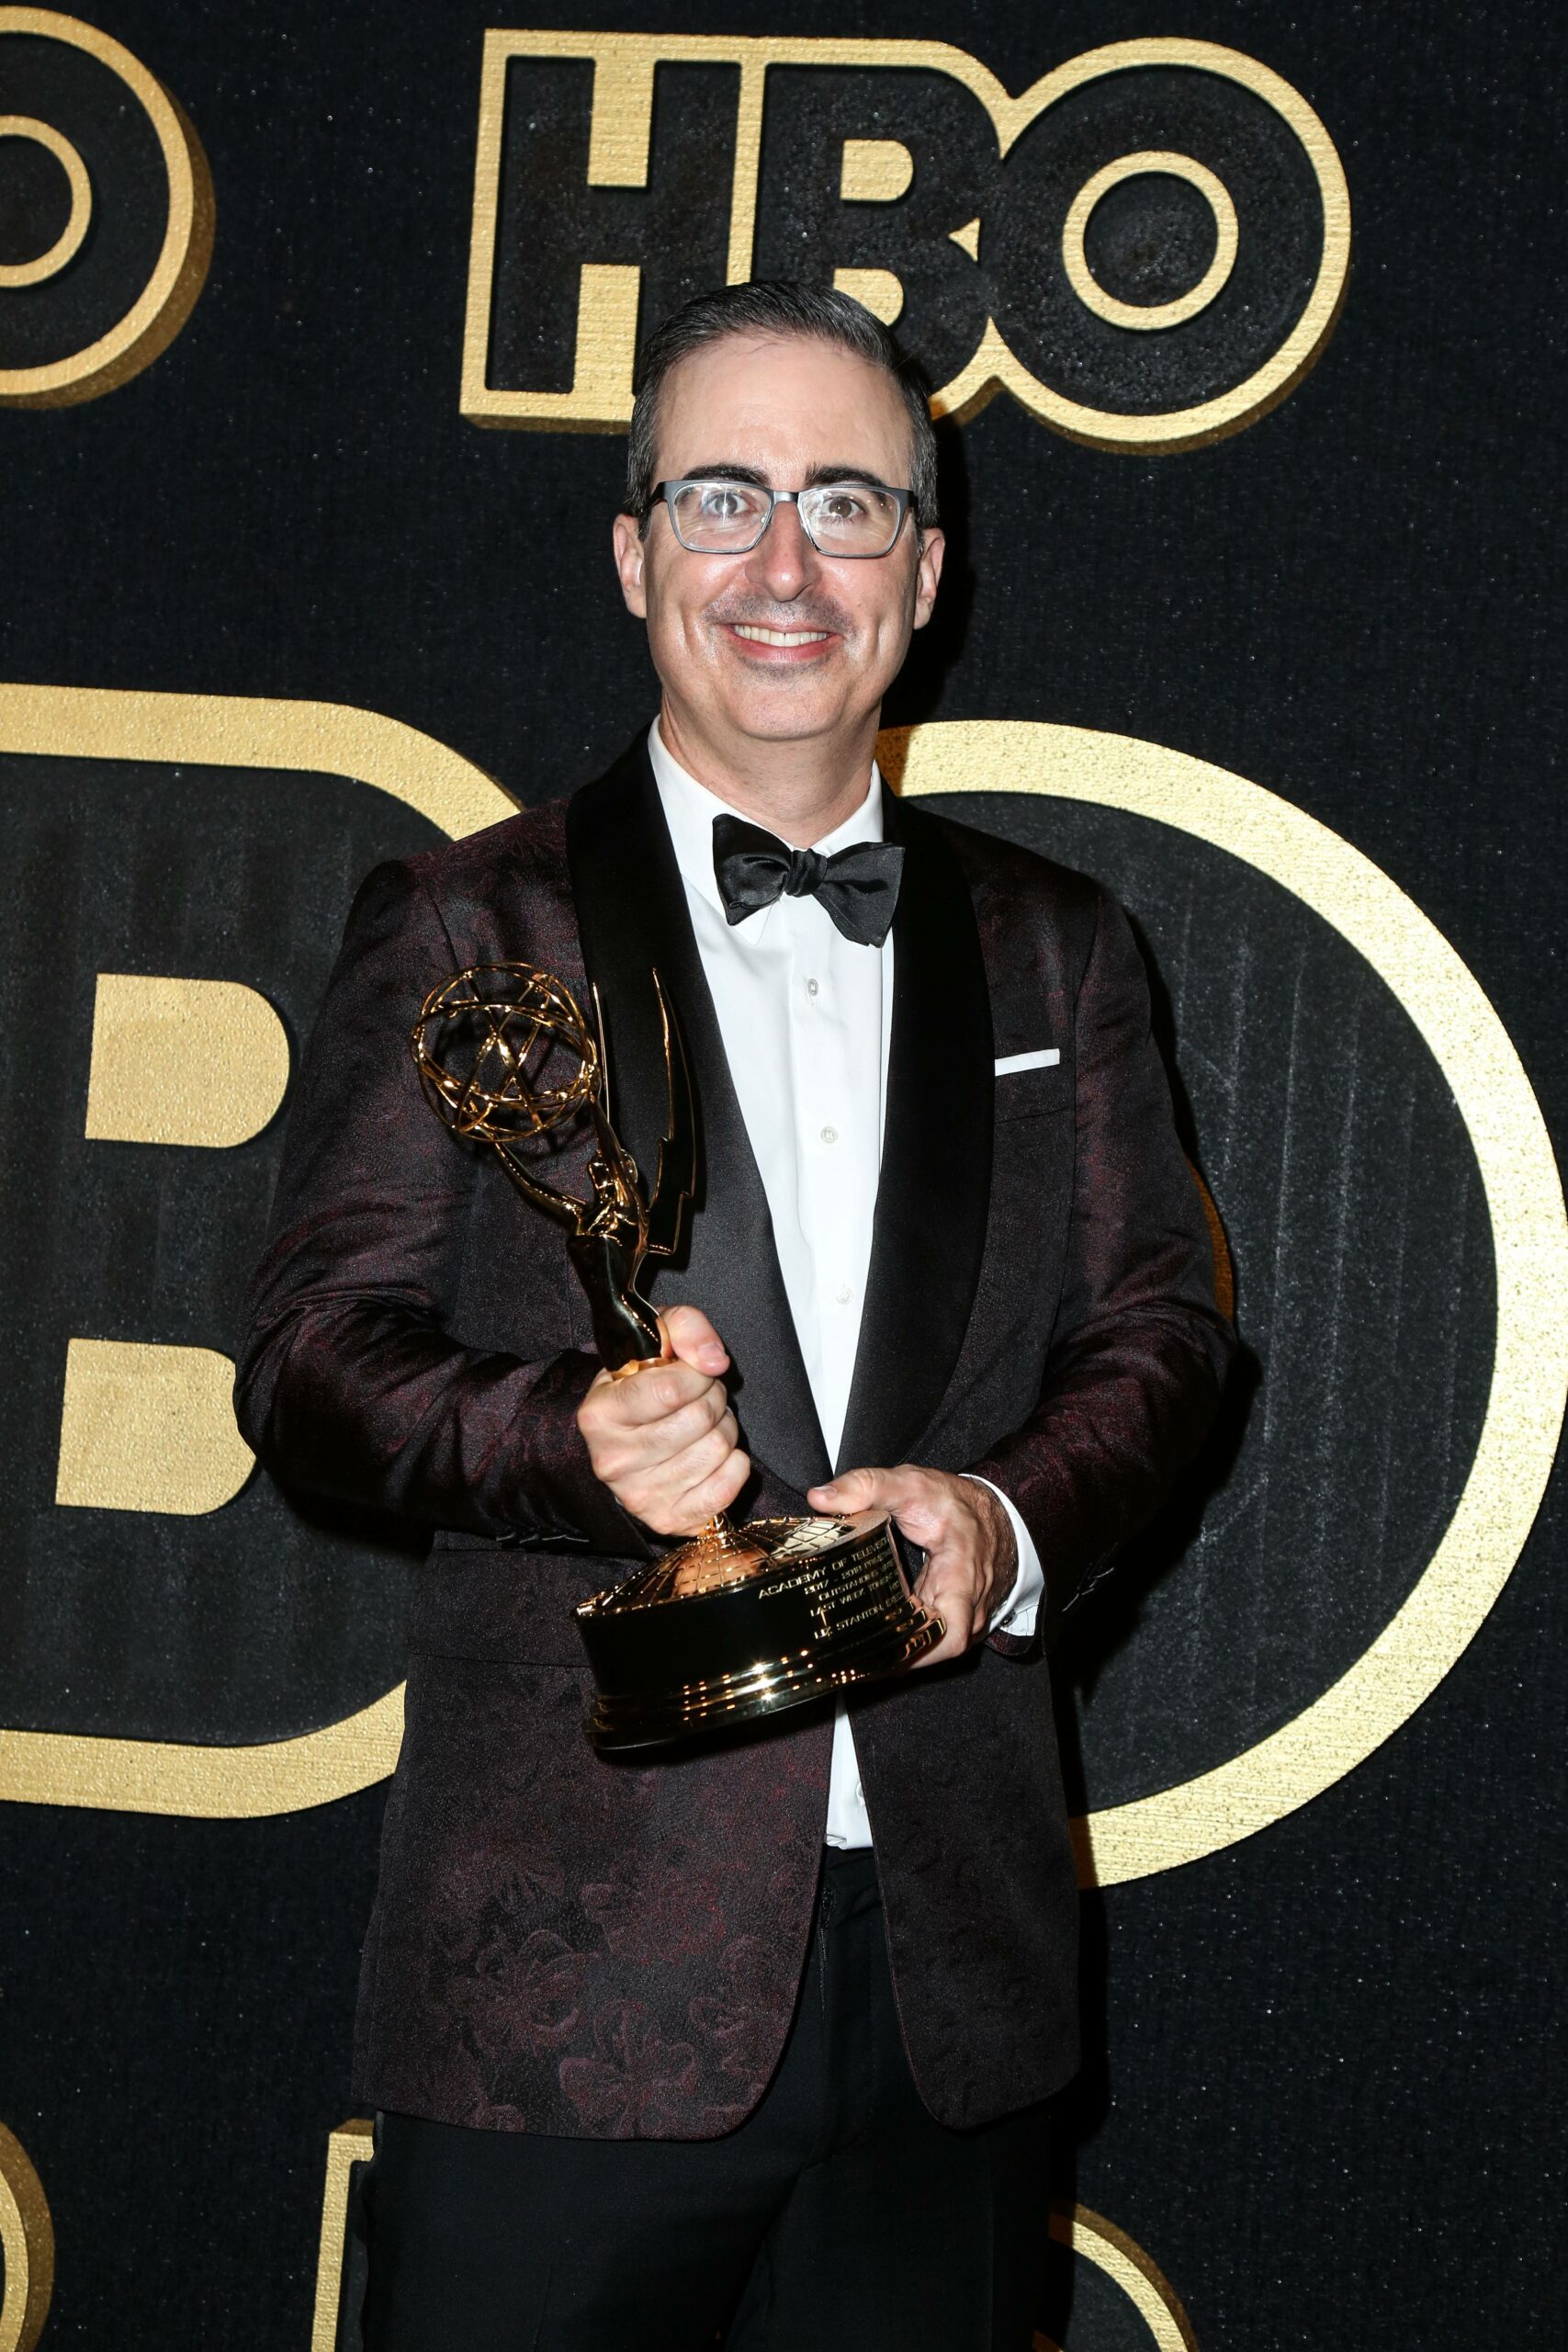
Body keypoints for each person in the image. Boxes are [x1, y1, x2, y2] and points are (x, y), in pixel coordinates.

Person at [236, 281, 1233, 2350]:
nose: (784, 566)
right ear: (632, 553)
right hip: (561, 1991)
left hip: (951, 1987)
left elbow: (1160, 1341)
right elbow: (312, 1356)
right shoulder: (467, 921)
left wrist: (999, 1525)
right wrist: (558, 1437)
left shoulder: (1060, 949)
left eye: (846, 503)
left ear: (925, 572)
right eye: (722, 497)